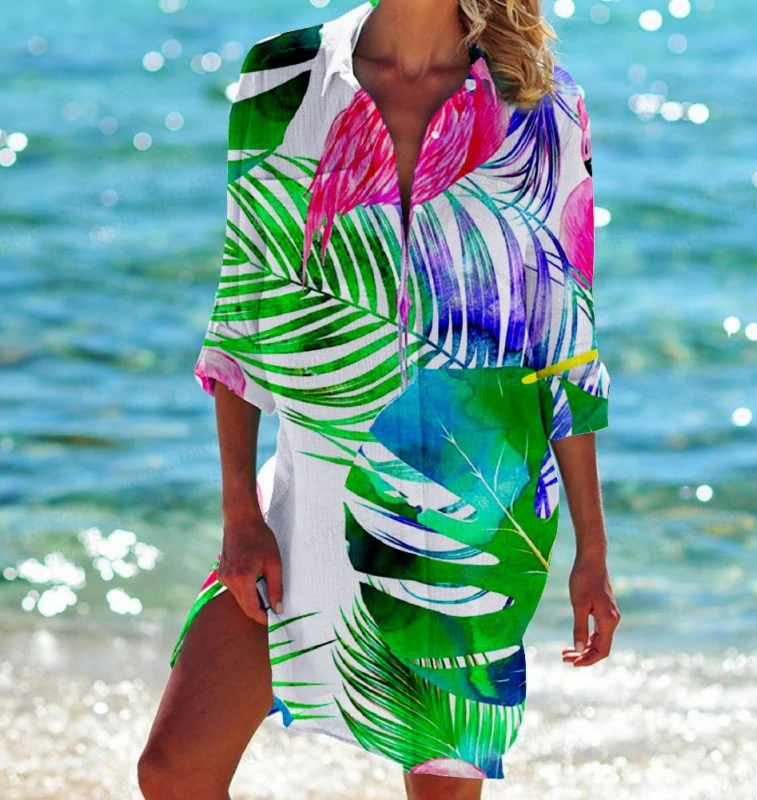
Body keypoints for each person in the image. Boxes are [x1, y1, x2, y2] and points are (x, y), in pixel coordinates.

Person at [138, 0, 621, 797]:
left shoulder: (542, 102)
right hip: (308, 488)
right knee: (174, 768)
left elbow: (564, 343)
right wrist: (240, 512)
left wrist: (591, 550)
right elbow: (242, 312)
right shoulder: (284, 76)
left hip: (469, 512)